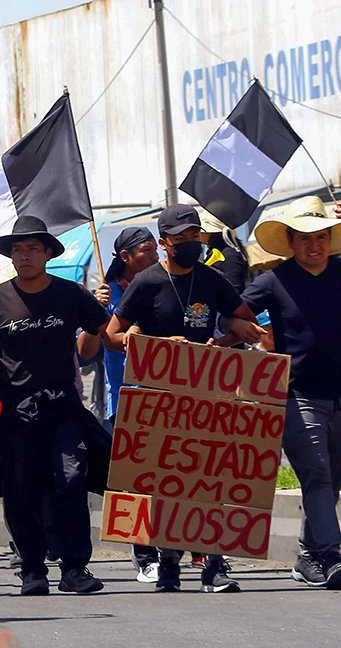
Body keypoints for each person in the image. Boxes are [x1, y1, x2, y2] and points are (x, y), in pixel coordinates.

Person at [108, 203, 265, 594]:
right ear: (164, 243)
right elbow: (113, 336)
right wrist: (161, 345)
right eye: (181, 238)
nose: (190, 243)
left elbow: (242, 318)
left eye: (195, 236)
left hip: (208, 394)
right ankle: (170, 561)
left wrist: (227, 336)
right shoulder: (146, 283)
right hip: (160, 398)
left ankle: (214, 565)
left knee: (210, 479)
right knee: (167, 484)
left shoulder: (212, 279)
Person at [0, 216, 111, 596]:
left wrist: (110, 331)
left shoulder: (71, 294)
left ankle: (74, 569)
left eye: (33, 248)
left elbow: (103, 337)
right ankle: (32, 569)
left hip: (64, 409)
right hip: (15, 413)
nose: (24, 255)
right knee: (21, 487)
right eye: (18, 249)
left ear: (48, 253)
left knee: (71, 481)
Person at [242, 196, 341, 589]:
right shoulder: (274, 280)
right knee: (316, 474)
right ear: (290, 242)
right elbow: (236, 313)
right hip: (298, 397)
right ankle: (331, 554)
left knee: (331, 478)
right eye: (305, 238)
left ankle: (308, 556)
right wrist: (247, 332)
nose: (314, 245)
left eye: (322, 237)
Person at [95, 227, 159, 422]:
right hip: (122, 399)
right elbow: (86, 351)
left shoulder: (163, 286)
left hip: (161, 398)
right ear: (125, 256)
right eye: (147, 250)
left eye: (156, 250)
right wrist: (96, 307)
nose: (155, 257)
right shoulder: (107, 294)